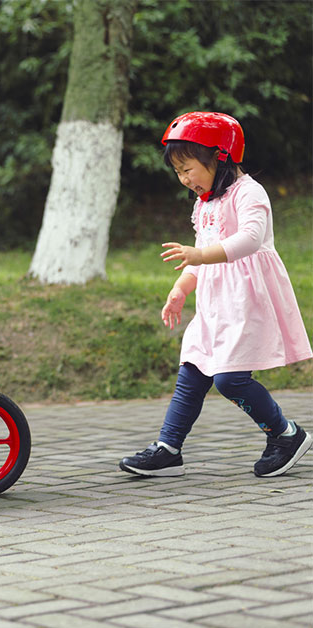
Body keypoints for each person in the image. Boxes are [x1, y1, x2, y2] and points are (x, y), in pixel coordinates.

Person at [120, 111, 312, 478]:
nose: (184, 179)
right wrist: (180, 288)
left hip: (246, 301)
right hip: (214, 304)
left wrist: (201, 256)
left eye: (188, 168)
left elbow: (250, 239)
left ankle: (286, 434)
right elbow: (199, 256)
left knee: (229, 378)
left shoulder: (249, 192)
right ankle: (168, 447)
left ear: (220, 157)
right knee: (192, 370)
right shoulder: (204, 204)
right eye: (177, 172)